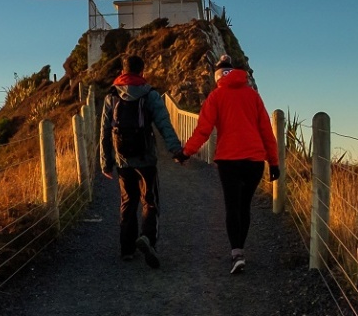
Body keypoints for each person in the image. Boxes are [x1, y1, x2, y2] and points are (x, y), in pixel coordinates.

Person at [180, 55, 279, 274]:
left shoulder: (216, 96)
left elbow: (203, 130)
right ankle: (240, 249)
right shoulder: (253, 96)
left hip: (229, 160)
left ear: (217, 76)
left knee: (232, 206)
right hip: (254, 161)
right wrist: (274, 163)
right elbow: (266, 131)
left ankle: (237, 253)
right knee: (244, 206)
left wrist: (186, 152)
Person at [100, 55, 188, 269]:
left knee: (128, 202)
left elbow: (104, 131)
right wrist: (176, 150)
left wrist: (106, 162)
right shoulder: (150, 94)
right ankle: (148, 239)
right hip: (146, 159)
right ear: (142, 71)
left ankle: (127, 250)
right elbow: (164, 124)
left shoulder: (112, 96)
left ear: (123, 71)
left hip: (123, 161)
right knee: (150, 201)